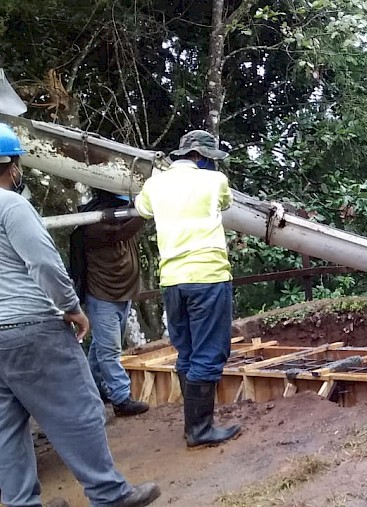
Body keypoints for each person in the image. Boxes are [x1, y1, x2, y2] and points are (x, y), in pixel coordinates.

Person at [0, 123, 159, 506]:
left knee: (6, 427)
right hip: (31, 327)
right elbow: (44, 265)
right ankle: (110, 494)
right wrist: (72, 308)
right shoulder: (12, 205)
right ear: (12, 166)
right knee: (81, 408)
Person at [135, 130, 240, 448]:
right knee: (209, 352)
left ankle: (193, 424)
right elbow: (225, 203)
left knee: (188, 351)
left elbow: (143, 210)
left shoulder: (155, 184)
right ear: (206, 157)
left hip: (173, 281)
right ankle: (200, 429)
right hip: (208, 277)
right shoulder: (214, 180)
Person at [70, 190, 149, 417]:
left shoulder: (118, 218)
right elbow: (121, 233)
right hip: (103, 296)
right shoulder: (93, 225)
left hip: (123, 294)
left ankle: (95, 386)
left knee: (102, 347)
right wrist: (144, 211)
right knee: (109, 351)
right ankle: (121, 399)